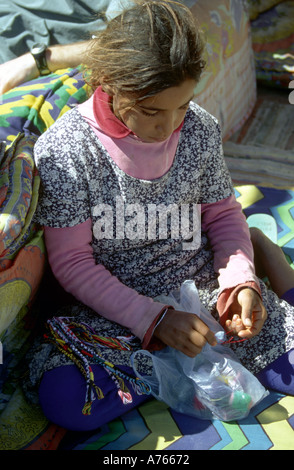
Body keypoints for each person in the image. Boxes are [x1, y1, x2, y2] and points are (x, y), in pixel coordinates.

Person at [25, 0, 294, 432]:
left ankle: (266, 266)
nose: (168, 126)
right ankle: (174, 358)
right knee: (68, 400)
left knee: (279, 349)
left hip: (201, 280)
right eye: (151, 111)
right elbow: (73, 263)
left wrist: (239, 283)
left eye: (182, 106)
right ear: (109, 83)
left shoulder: (199, 128)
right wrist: (155, 320)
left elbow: (224, 216)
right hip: (114, 306)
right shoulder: (66, 151)